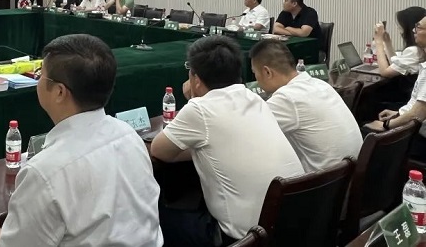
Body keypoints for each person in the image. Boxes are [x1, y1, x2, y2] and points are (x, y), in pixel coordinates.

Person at [0, 34, 163, 247]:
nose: (37, 80)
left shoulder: (45, 172)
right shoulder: (129, 135)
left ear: (60, 92)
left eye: (40, 75)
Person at [151, 35, 302, 246]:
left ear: (196, 78)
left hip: (245, 238)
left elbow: (158, 151)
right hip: (293, 226)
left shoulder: (200, 109)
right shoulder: (253, 97)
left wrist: (195, 100)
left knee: (158, 214)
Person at [250, 40, 362, 172]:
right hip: (354, 174)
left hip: (326, 181)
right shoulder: (320, 84)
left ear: (267, 72)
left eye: (255, 73)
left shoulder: (286, 98)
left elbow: (251, 133)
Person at [364, 14, 426, 161]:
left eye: (418, 27)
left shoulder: (416, 53)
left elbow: (417, 114)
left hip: (416, 137)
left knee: (363, 129)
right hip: (411, 126)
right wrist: (398, 113)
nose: (414, 30)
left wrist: (386, 125)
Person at [371, 6, 426, 78]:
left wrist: (378, 41)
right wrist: (387, 42)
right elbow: (396, 65)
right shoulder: (419, 49)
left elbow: (385, 72)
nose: (400, 30)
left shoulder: (414, 51)